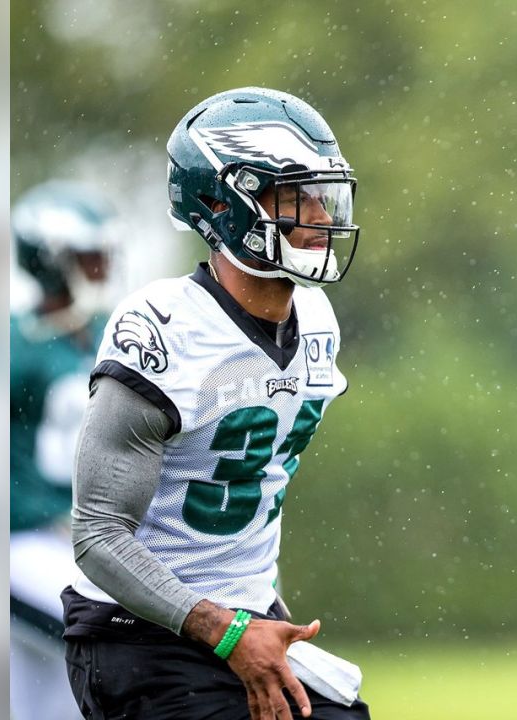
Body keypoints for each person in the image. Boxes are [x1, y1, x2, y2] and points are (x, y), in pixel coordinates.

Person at [61, 87, 370, 720]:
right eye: (294, 196)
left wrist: (259, 616)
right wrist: (226, 631)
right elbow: (96, 533)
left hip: (247, 626)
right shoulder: (164, 328)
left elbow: (255, 491)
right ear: (223, 205)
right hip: (138, 635)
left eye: (320, 194)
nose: (318, 213)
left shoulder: (315, 320)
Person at [9, 181, 120, 720]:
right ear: (51, 262)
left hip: (84, 545)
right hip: (22, 542)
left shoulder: (115, 337)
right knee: (104, 645)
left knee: (59, 697)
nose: (101, 268)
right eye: (89, 257)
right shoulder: (11, 345)